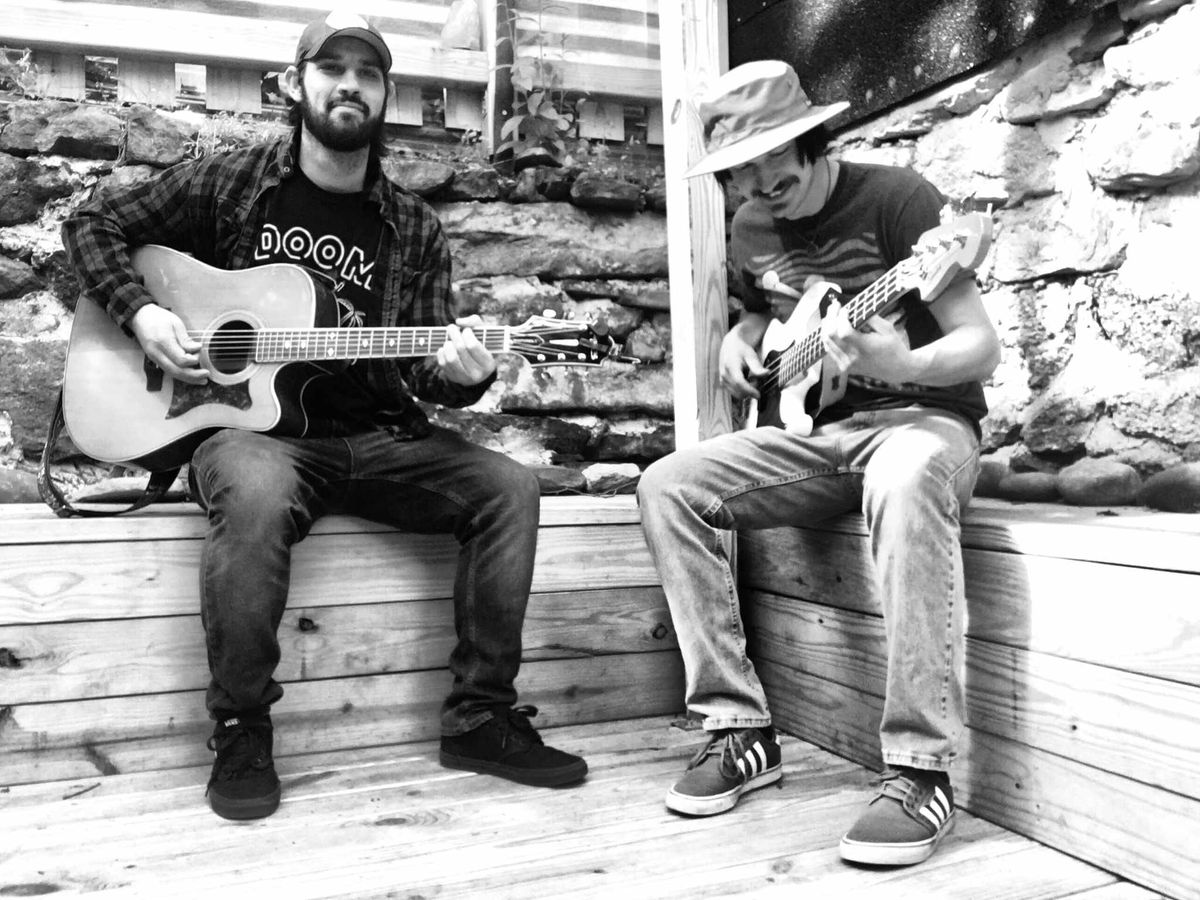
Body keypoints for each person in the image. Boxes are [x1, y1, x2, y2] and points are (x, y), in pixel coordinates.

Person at [60, 10, 587, 821]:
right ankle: (240, 727)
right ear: (296, 83)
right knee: (258, 490)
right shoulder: (230, 182)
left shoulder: (412, 226)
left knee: (508, 488)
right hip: (249, 435)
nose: (349, 83)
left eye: (368, 72)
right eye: (332, 66)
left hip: (375, 437)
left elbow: (425, 372)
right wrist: (141, 316)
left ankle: (480, 717)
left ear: (383, 95)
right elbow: (91, 222)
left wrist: (463, 377)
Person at [636, 60, 1000, 866]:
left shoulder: (898, 199)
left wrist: (896, 364)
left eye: (775, 157)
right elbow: (762, 318)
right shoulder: (750, 228)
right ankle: (738, 729)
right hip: (815, 436)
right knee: (668, 484)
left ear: (812, 137)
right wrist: (740, 343)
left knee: (902, 472)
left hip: (922, 423)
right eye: (741, 168)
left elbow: (981, 347)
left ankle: (920, 769)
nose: (761, 183)